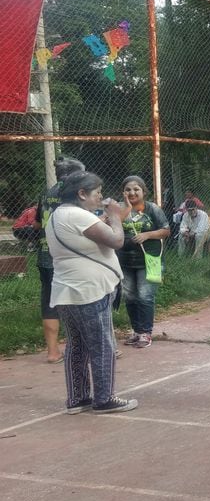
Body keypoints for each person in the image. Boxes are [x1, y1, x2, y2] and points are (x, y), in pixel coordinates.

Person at [46, 171, 137, 413]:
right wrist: (115, 216)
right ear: (81, 194)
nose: (100, 197)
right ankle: (104, 398)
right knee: (102, 345)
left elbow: (92, 238)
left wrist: (108, 218)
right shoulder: (77, 215)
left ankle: (78, 398)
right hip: (89, 290)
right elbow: (116, 240)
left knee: (77, 346)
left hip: (67, 290)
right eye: (96, 193)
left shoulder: (59, 215)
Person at [33, 156, 86, 363]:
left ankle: (53, 352)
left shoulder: (47, 193)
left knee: (49, 302)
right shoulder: (75, 194)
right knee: (82, 300)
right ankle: (89, 346)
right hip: (68, 256)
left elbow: (37, 225)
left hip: (46, 254)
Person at [117, 176, 170, 349]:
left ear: (143, 191)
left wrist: (147, 235)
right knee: (130, 297)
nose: (132, 192)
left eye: (136, 189)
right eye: (128, 189)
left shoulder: (152, 209)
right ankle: (136, 330)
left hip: (149, 260)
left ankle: (146, 332)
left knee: (145, 296)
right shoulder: (119, 209)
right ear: (123, 192)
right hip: (124, 261)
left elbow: (166, 230)